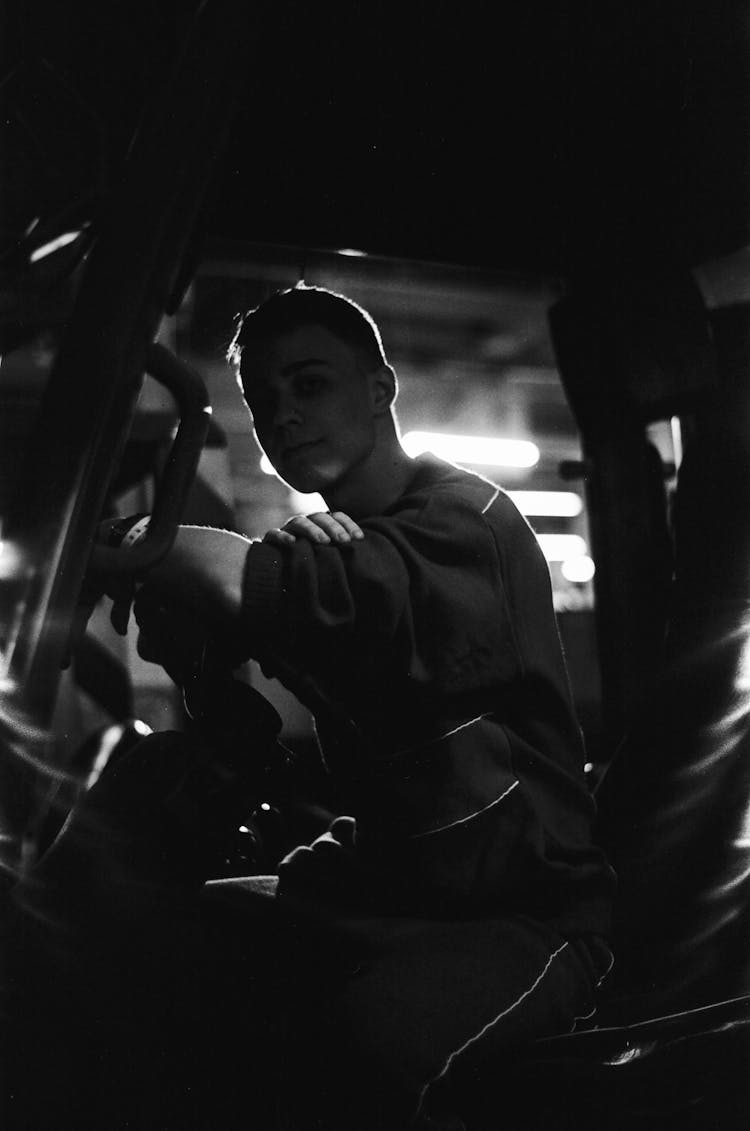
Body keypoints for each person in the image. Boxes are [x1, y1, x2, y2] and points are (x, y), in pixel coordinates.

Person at [13, 285, 615, 1130]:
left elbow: (275, 585)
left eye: (309, 385)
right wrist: (195, 648)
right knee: (165, 940)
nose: (283, 416)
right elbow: (265, 660)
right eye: (262, 402)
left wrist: (127, 545)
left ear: (380, 389)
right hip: (379, 880)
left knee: (375, 1043)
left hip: (515, 909)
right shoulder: (333, 542)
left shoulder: (463, 520)